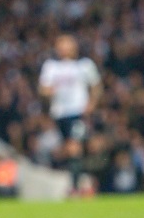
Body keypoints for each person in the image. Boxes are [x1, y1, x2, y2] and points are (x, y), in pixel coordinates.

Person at [38, 34, 102, 194]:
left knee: (74, 147)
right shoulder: (51, 66)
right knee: (69, 149)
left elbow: (96, 86)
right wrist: (48, 92)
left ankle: (74, 188)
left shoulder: (84, 65)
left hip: (78, 112)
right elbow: (43, 88)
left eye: (67, 44)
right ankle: (84, 181)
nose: (64, 48)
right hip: (60, 114)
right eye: (61, 44)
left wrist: (91, 104)